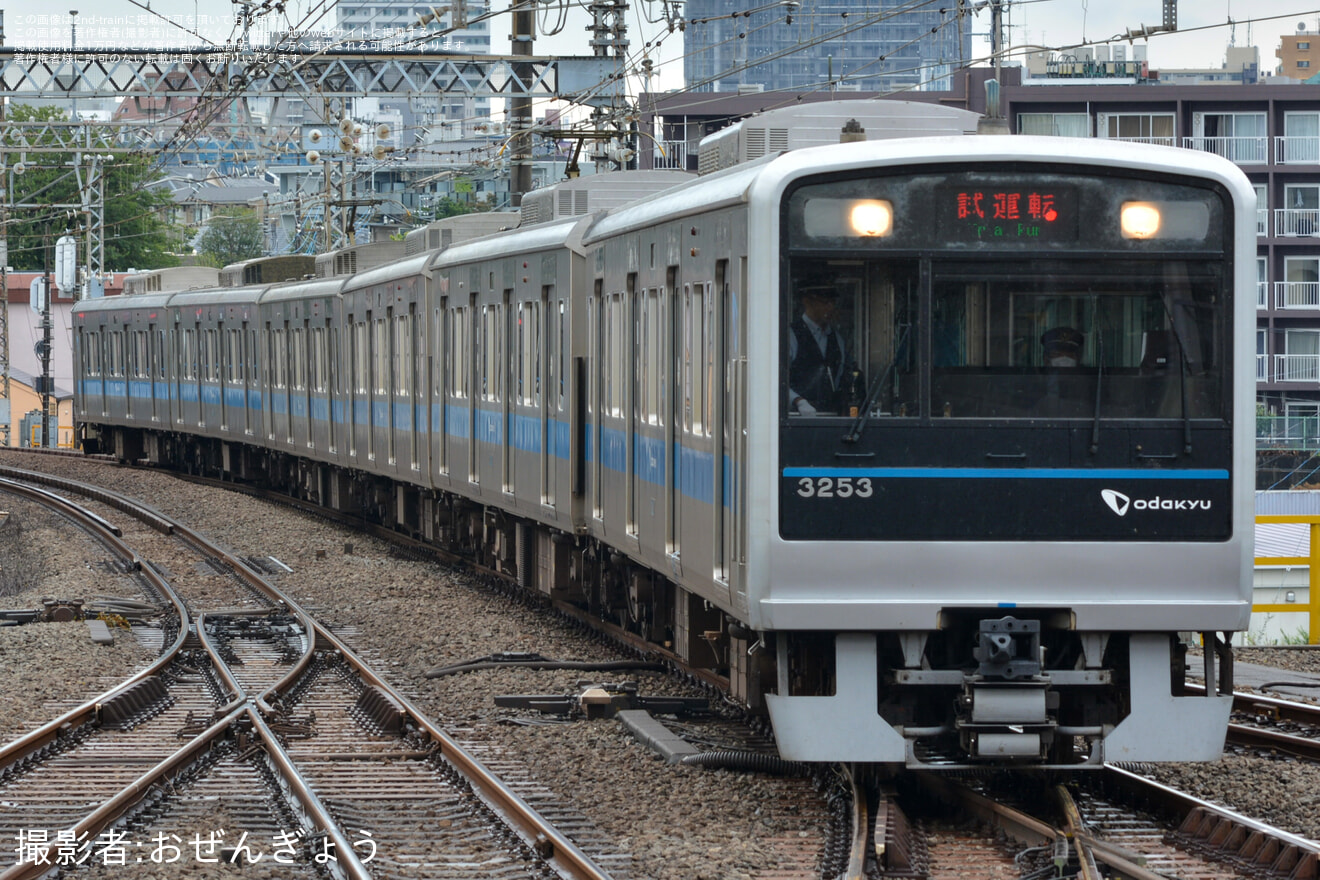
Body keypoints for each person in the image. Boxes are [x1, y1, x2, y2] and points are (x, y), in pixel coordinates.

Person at [788, 284, 855, 415]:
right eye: (825, 302)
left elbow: (840, 378)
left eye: (833, 302)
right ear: (807, 302)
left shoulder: (837, 339)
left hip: (830, 417)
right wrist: (798, 401)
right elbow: (776, 380)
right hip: (796, 419)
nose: (830, 307)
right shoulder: (791, 335)